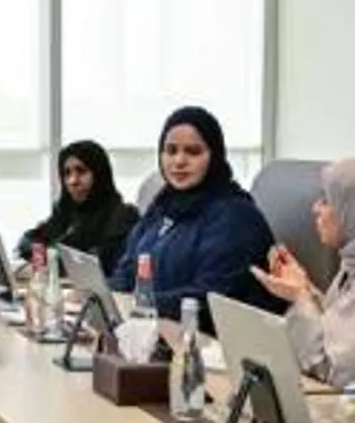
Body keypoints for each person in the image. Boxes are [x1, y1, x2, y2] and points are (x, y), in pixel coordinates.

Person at [109, 106, 284, 335]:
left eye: (193, 152)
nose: (179, 161)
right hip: (153, 329)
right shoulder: (164, 204)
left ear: (215, 155)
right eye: (170, 150)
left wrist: (140, 304)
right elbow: (128, 269)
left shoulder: (235, 216)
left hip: (210, 342)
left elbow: (210, 299)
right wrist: (104, 296)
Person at [251, 158, 355, 387]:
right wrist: (305, 288)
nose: (315, 208)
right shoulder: (349, 265)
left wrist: (301, 298)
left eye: (326, 200)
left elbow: (329, 375)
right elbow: (334, 331)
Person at [16, 140, 138, 275]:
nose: (73, 181)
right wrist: (44, 259)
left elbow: (93, 264)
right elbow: (27, 241)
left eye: (81, 171)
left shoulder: (123, 216)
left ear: (100, 175)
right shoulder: (64, 213)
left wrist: (46, 261)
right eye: (67, 173)